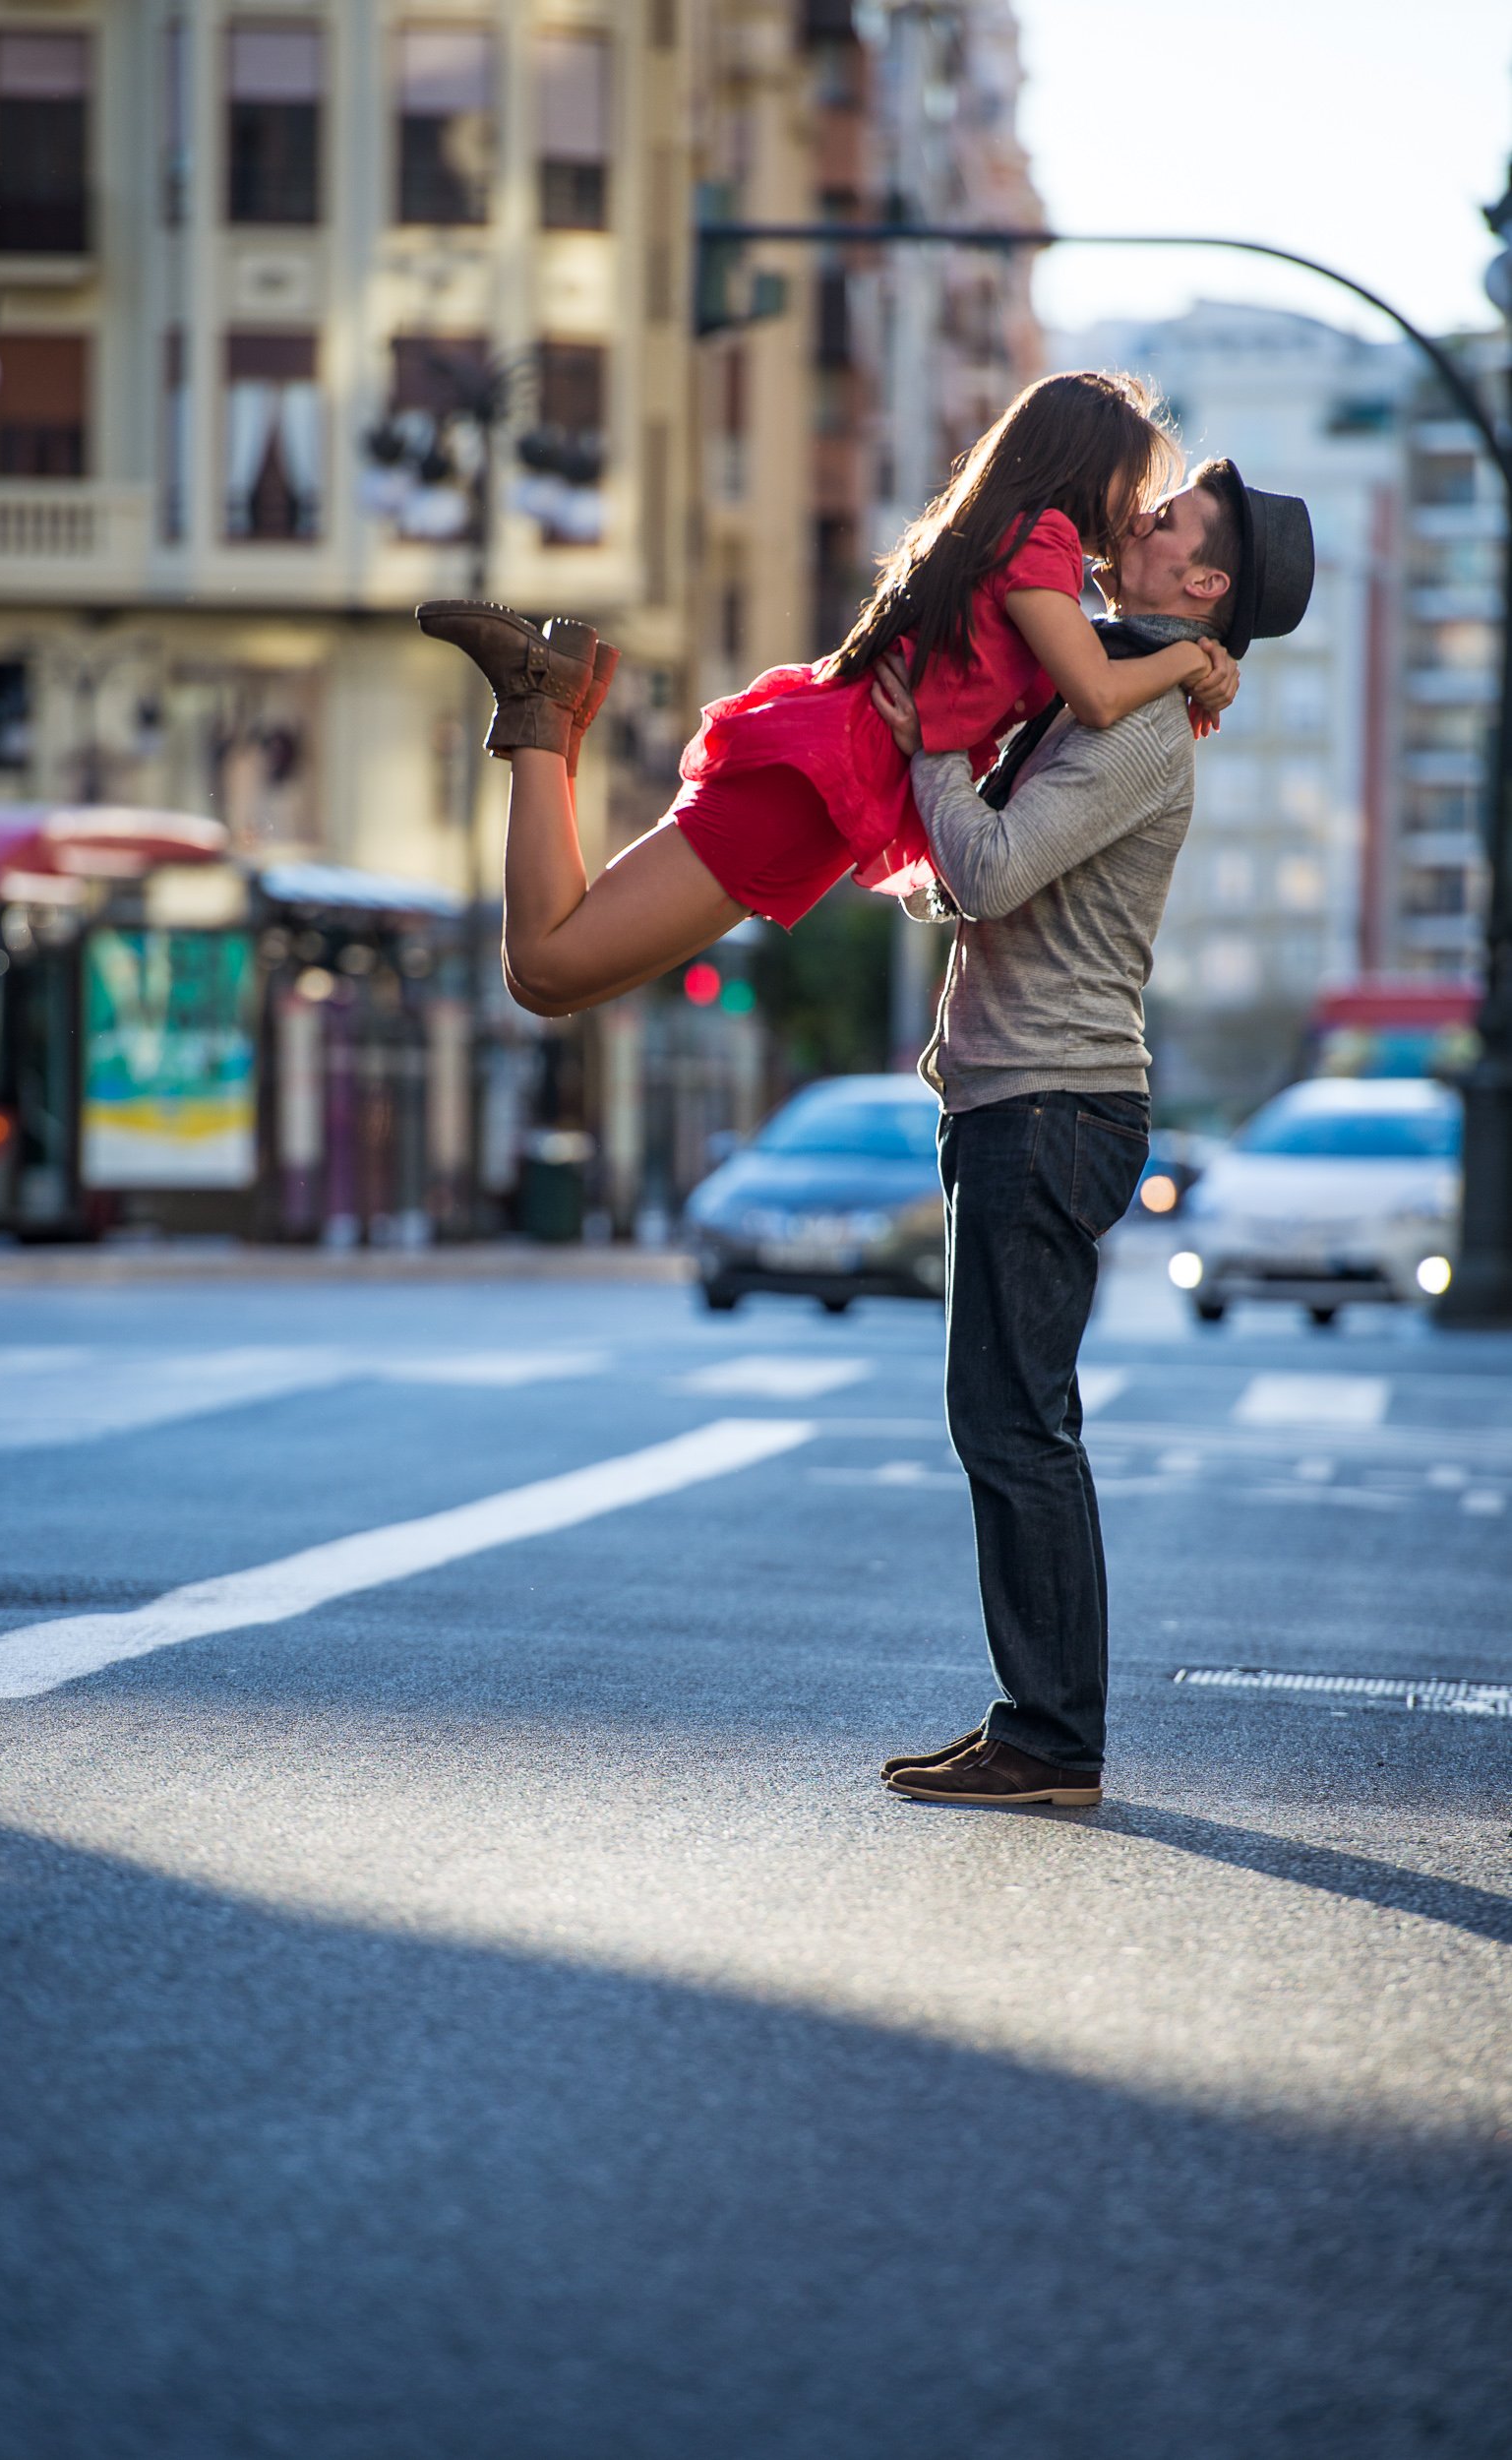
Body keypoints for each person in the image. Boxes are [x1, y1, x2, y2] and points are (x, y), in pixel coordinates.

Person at [874, 460, 1315, 1809]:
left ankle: (1053, 1739)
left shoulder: (1136, 727)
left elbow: (993, 866)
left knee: (1017, 1427)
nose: (1139, 519)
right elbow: (987, 886)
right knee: (1009, 1419)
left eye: (1169, 518)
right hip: (1023, 1099)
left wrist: (928, 747)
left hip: (1052, 1106)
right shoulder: (1115, 690)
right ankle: (1037, 1721)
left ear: (1207, 586)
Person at [416, 373, 1238, 1018]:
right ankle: (540, 704)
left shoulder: (1014, 541)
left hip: (829, 781)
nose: (1133, 514)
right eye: (1134, 486)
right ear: (1082, 467)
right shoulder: (1040, 539)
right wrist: (1190, 658)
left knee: (548, 983)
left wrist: (1192, 678)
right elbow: (1095, 694)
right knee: (549, 966)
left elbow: (1084, 674)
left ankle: (547, 707)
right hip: (822, 780)